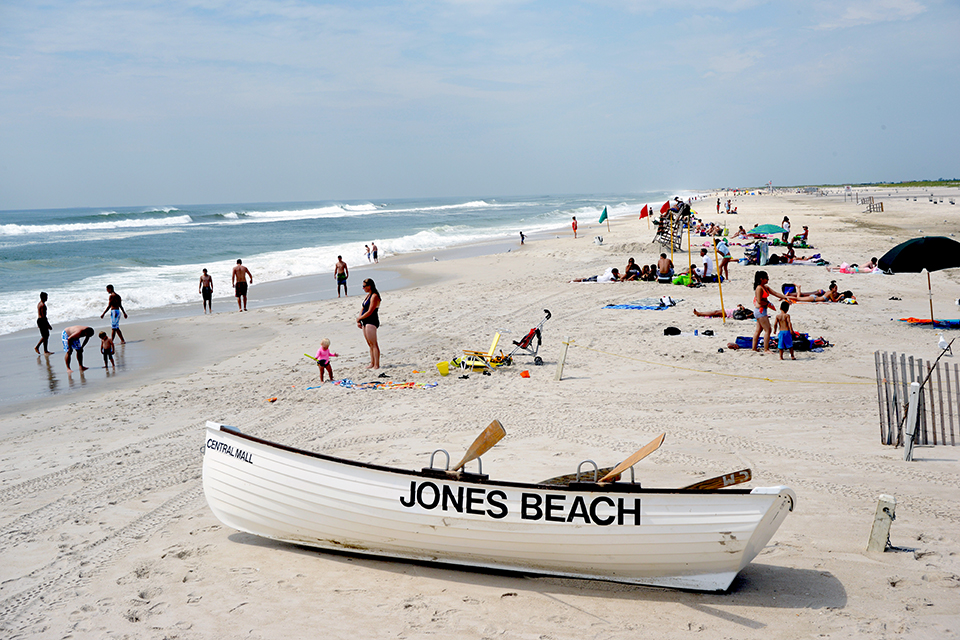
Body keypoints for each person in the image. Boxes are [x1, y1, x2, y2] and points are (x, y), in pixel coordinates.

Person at [751, 270, 789, 353]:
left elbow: (775, 293)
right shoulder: (759, 288)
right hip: (760, 311)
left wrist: (785, 297)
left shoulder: (765, 287)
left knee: (759, 330)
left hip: (762, 310)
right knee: (768, 330)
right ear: (761, 279)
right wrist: (768, 303)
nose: (768, 280)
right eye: (766, 278)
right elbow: (759, 301)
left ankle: (754, 348)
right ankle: (766, 349)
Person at [357, 278, 381, 369]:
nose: (363, 288)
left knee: (374, 343)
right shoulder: (368, 296)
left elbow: (370, 311)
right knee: (369, 343)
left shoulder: (374, 296)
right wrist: (359, 319)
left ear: (369, 286)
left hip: (371, 320)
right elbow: (363, 308)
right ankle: (372, 362)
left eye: (364, 286)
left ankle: (376, 364)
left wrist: (360, 318)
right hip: (365, 320)